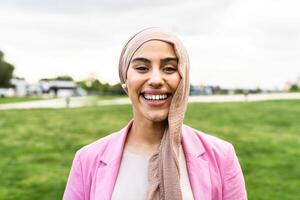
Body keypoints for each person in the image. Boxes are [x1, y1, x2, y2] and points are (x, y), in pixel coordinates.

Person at [63, 27, 247, 200]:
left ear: (184, 78)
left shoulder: (222, 156)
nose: (156, 80)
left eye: (169, 68)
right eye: (142, 68)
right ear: (125, 80)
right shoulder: (86, 159)